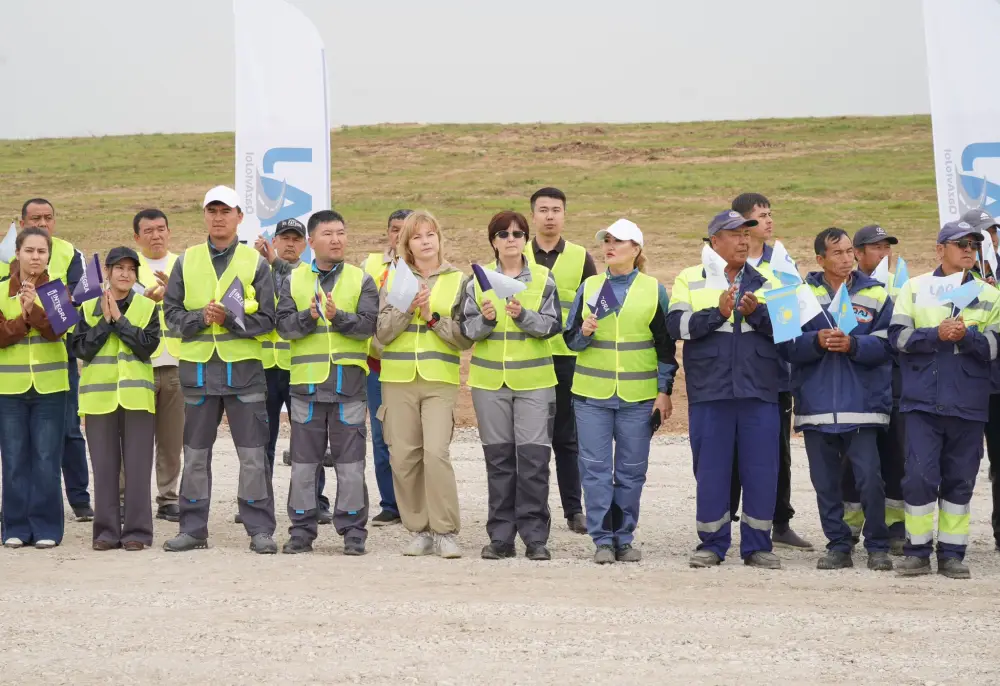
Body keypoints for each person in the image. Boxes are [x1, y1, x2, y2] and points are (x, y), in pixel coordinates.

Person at [161, 185, 278, 554]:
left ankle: (259, 528)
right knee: (195, 455)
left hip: (244, 373)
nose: (218, 217)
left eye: (225, 211)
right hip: (197, 374)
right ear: (205, 216)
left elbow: (269, 319)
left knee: (252, 454)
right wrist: (201, 317)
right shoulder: (186, 260)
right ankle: (193, 529)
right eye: (211, 211)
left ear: (239, 217)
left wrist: (228, 320)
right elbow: (172, 315)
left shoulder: (255, 263)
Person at [667, 210, 783, 569]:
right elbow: (676, 325)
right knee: (712, 472)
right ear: (714, 240)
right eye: (735, 234)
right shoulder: (690, 278)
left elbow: (790, 329)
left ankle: (758, 546)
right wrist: (717, 313)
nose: (744, 240)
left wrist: (758, 315)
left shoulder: (771, 280)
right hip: (710, 392)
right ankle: (712, 544)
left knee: (762, 471)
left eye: (747, 233)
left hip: (759, 392)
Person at [890, 220, 1000, 579]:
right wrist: (935, 334)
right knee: (919, 477)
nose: (969, 249)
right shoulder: (915, 288)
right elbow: (898, 339)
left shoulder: (990, 294)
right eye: (960, 243)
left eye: (973, 244)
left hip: (968, 403)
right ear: (940, 250)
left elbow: (996, 347)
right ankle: (917, 551)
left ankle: (952, 553)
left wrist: (967, 338)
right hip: (922, 401)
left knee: (960, 480)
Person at [781, 228, 894, 571]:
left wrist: (853, 345)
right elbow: (785, 347)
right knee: (826, 484)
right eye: (838, 253)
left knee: (870, 479)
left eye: (849, 251)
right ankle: (838, 545)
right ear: (820, 260)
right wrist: (817, 341)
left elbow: (890, 344)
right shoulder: (795, 294)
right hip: (816, 408)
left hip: (863, 407)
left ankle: (877, 545)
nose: (847, 258)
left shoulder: (877, 293)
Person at [565, 219, 676, 564]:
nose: (610, 246)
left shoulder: (653, 289)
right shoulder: (590, 286)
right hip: (591, 395)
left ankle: (624, 538)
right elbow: (570, 339)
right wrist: (584, 331)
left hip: (637, 397)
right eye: (607, 241)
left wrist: (664, 391)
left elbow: (665, 346)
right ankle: (602, 540)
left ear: (636, 249)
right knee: (595, 468)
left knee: (631, 471)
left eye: (619, 241)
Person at [459, 211, 562, 561]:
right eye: (503, 234)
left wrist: (523, 316)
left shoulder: (544, 279)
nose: (511, 239)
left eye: (518, 233)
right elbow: (467, 332)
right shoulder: (476, 282)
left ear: (526, 239)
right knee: (499, 461)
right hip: (490, 383)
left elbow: (551, 326)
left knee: (533, 462)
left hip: (534, 382)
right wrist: (486, 322)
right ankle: (500, 537)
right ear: (493, 241)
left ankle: (535, 537)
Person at [276, 210, 378, 555]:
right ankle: (301, 531)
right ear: (311, 242)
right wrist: (310, 316)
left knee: (351, 468)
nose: (336, 240)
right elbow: (285, 327)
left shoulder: (361, 280)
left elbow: (367, 326)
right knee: (304, 467)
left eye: (341, 233)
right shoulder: (293, 281)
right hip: (305, 388)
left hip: (347, 386)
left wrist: (338, 317)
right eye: (328, 234)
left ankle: (352, 532)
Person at [376, 210, 472, 558]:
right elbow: (382, 333)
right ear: (406, 245)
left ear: (439, 239)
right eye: (417, 236)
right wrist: (406, 308)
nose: (425, 240)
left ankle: (445, 530)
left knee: (435, 453)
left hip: (439, 380)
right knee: (403, 458)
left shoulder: (459, 280)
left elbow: (463, 339)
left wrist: (431, 315)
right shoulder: (393, 279)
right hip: (398, 379)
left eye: (430, 234)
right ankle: (419, 529)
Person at [728, 193, 811, 551]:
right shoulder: (726, 262)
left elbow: (795, 310)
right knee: (729, 450)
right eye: (760, 216)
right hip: (734, 370)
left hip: (775, 370)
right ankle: (723, 518)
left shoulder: (781, 262)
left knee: (777, 450)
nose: (769, 221)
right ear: (743, 224)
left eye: (770, 214)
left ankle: (779, 520)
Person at [71, 247, 160, 551]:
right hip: (99, 400)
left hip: (137, 399)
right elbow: (81, 349)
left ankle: (137, 532)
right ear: (106, 272)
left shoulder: (148, 308)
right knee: (105, 468)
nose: (125, 273)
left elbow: (147, 347)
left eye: (130, 269)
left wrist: (119, 321)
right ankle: (106, 532)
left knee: (137, 468)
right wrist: (105, 323)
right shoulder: (86, 309)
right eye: (119, 268)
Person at [15, 199, 93, 523]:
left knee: (69, 430)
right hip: (14, 361)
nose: (43, 223)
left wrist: (43, 301)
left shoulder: (69, 252)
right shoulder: (8, 253)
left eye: (49, 217)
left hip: (59, 355)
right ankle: (17, 505)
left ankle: (79, 498)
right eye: (36, 218)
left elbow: (78, 297)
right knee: (15, 439)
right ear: (21, 224)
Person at [524, 187, 596, 535]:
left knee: (567, 439)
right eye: (543, 210)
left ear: (564, 215)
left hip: (567, 359)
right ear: (533, 216)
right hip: (527, 357)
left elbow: (596, 299)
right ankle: (529, 509)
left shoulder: (582, 257)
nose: (550, 216)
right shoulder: (515, 252)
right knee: (530, 439)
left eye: (556, 210)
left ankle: (573, 509)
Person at [253, 218, 333, 524]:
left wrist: (273, 262)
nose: (289, 244)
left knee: (308, 441)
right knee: (262, 440)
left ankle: (316, 499)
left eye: (295, 239)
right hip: (263, 367)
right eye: (283, 238)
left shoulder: (311, 275)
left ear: (305, 244)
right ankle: (258, 501)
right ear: (274, 241)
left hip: (299, 368)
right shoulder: (257, 273)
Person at [0, 227, 68, 549]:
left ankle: (46, 528)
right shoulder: (0, 290)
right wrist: (24, 320)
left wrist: (35, 311)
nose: (35, 257)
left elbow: (60, 329)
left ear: (48, 256)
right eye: (29, 250)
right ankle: (14, 526)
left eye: (42, 251)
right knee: (13, 459)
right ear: (17, 254)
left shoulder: (58, 291)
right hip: (9, 389)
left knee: (45, 459)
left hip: (50, 389)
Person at [848, 224, 905, 553]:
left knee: (895, 454)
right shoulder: (847, 287)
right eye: (876, 247)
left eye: (887, 248)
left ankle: (895, 524)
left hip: (894, 382)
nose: (884, 254)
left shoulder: (902, 284)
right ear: (858, 253)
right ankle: (849, 525)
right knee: (852, 459)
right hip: (857, 382)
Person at [131, 208, 184, 523]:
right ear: (137, 237)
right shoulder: (129, 268)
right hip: (140, 364)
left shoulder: (183, 265)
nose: (156, 235)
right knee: (135, 439)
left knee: (171, 440)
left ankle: (168, 498)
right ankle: (128, 498)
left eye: (161, 228)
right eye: (148, 230)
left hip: (176, 362)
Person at [359, 208, 411, 527]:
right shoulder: (369, 266)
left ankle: (415, 502)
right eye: (394, 229)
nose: (399, 236)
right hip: (377, 365)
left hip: (412, 365)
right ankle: (390, 503)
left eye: (406, 230)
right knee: (381, 436)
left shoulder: (427, 268)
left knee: (411, 438)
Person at [958, 208, 1000, 552]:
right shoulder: (948, 282)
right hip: (965, 382)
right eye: (977, 236)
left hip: (997, 384)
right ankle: (946, 539)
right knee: (960, 463)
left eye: (991, 233)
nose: (986, 241)